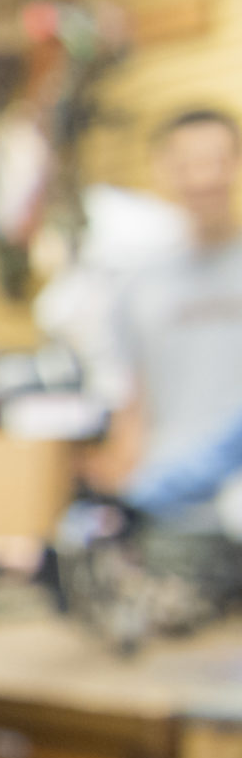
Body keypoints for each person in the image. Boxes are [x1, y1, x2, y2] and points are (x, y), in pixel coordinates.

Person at [92, 109, 242, 511]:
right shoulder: (137, 286)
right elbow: (133, 404)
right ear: (162, 171)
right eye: (186, 164)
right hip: (168, 506)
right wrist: (123, 493)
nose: (203, 178)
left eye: (216, 161)